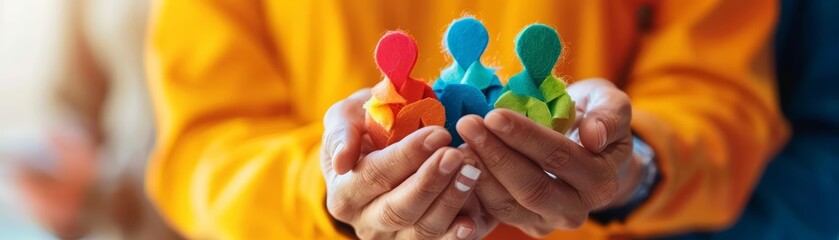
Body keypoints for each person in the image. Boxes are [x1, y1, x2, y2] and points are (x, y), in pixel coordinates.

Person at [144, 0, 788, 239]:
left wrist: (632, 165)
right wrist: (331, 190)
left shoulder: (479, 89)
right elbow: (203, 151)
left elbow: (721, 101)